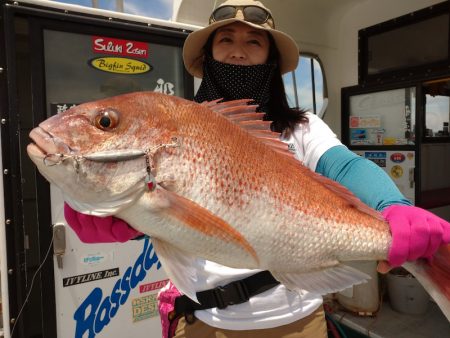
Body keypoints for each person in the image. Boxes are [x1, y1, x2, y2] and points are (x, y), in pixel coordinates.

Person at [64, 0, 450, 337]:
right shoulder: (178, 131)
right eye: (226, 40)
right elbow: (172, 220)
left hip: (297, 322)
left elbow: (344, 166)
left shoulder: (302, 128)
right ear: (208, 56)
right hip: (202, 321)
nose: (238, 52)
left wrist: (391, 204)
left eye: (253, 41)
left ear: (271, 58)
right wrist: (108, 210)